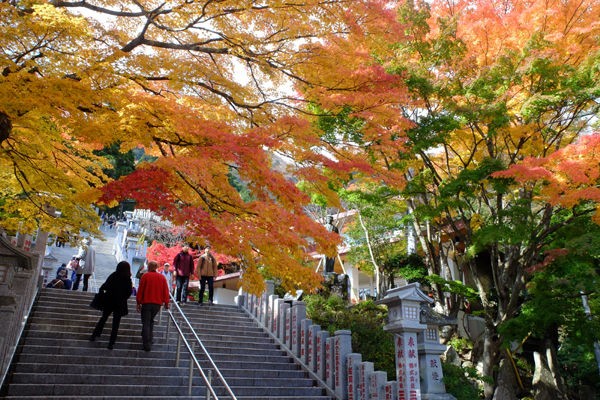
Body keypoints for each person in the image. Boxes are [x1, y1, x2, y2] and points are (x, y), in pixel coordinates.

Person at [89, 261, 133, 350]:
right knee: (116, 324)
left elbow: (105, 286)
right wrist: (123, 298)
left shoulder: (114, 275)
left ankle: (94, 335)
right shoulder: (127, 279)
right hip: (120, 303)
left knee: (103, 318)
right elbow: (129, 292)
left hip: (109, 301)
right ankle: (111, 343)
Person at [136, 260, 170, 352]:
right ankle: (150, 339)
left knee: (146, 322)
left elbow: (140, 290)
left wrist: (138, 302)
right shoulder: (162, 277)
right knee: (150, 321)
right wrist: (166, 303)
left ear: (149, 267)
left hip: (147, 303)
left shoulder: (145, 276)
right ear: (156, 268)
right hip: (157, 304)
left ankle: (146, 343)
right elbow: (166, 291)